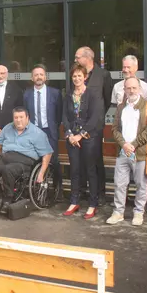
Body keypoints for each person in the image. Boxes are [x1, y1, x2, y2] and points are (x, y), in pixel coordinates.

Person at [107, 76, 147, 226]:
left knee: (141, 184)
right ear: (124, 90)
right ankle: (118, 212)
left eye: (134, 88)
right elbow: (115, 128)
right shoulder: (121, 107)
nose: (131, 90)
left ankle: (138, 212)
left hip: (140, 153)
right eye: (128, 88)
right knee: (119, 184)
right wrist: (124, 144)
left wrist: (133, 144)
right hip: (123, 153)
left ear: (140, 89)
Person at [0, 107, 52, 214]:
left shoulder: (37, 133)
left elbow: (47, 153)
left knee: (8, 170)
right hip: (6, 158)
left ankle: (7, 199)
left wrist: (41, 173)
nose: (18, 120)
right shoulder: (8, 128)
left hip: (24, 162)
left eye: (21, 117)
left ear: (27, 118)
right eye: (16, 117)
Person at [62, 64, 105, 220]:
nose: (77, 78)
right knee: (75, 170)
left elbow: (95, 118)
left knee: (90, 171)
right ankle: (74, 201)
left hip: (88, 138)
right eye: (74, 76)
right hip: (72, 138)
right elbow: (65, 117)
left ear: (85, 77)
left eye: (80, 75)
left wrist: (80, 135)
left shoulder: (92, 94)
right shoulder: (68, 95)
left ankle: (92, 204)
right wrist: (70, 134)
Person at [74, 47, 112, 203]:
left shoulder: (103, 75)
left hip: (95, 127)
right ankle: (82, 191)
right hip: (78, 126)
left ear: (87, 58)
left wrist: (97, 116)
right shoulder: (76, 73)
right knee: (81, 159)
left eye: (77, 57)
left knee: (95, 160)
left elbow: (107, 100)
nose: (75, 60)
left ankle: (99, 193)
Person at [24, 65, 63, 192]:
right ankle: (37, 189)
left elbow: (59, 114)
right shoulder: (26, 94)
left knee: (54, 161)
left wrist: (54, 128)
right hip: (33, 132)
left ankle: (57, 189)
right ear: (32, 78)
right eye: (36, 75)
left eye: (41, 74)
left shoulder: (55, 93)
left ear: (45, 77)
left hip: (49, 131)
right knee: (34, 160)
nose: (39, 77)